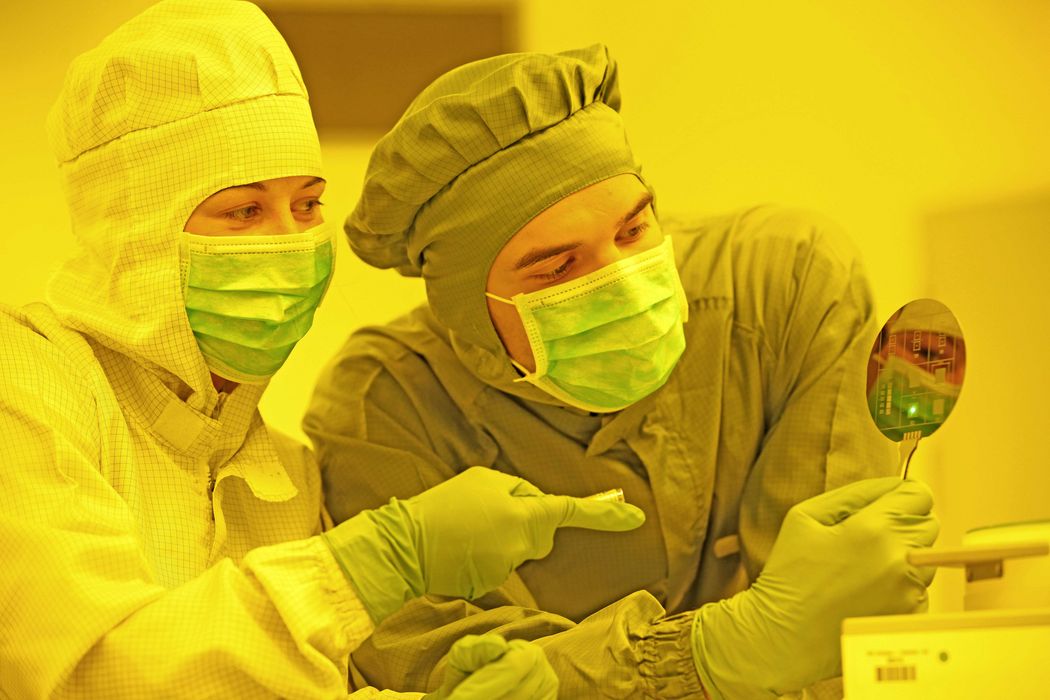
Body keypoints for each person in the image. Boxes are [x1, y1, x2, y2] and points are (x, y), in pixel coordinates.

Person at [0, 5, 645, 699]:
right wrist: (366, 566)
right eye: (244, 210)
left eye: (306, 207)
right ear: (138, 231)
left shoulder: (280, 475)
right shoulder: (30, 391)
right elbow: (91, 674)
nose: (290, 243)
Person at [304, 45, 941, 698]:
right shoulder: (382, 407)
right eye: (558, 269)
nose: (623, 286)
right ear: (468, 312)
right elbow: (454, 674)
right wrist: (710, 654)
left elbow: (828, 621)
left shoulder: (782, 286)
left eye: (634, 231)